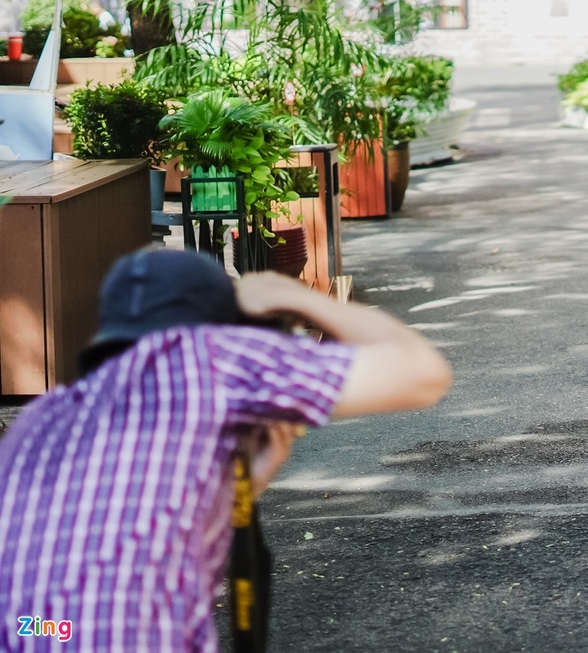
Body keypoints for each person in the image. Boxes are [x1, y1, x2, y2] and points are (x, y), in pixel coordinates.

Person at [0, 248, 452, 650]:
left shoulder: (43, 418)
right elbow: (420, 372)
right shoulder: (206, 357)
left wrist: (244, 487)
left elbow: (92, 573)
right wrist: (294, 295)